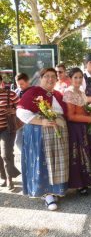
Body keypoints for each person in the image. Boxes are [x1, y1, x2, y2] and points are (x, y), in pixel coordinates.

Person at [16, 68, 69, 211]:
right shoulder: (33, 92)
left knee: (54, 161)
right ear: (41, 78)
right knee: (42, 161)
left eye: (53, 76)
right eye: (47, 76)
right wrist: (42, 122)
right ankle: (45, 194)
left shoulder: (57, 94)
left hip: (56, 135)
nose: (50, 79)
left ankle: (54, 190)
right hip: (38, 133)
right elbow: (20, 112)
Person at [63, 68, 91, 195]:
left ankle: (88, 181)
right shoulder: (69, 92)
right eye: (75, 77)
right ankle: (79, 184)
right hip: (75, 128)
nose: (78, 79)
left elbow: (83, 109)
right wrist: (89, 118)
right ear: (70, 79)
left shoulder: (81, 91)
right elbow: (70, 116)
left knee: (87, 152)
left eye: (80, 77)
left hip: (84, 126)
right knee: (78, 154)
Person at [0, 75, 20, 190]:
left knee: (6, 154)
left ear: (1, 81)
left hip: (7, 129)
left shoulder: (10, 94)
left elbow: (22, 108)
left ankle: (9, 178)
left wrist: (14, 110)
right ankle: (3, 176)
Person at [14, 73, 31, 152]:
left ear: (27, 82)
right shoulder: (16, 91)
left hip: (30, 122)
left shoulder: (33, 91)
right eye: (18, 84)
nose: (19, 86)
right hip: (19, 123)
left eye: (21, 84)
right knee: (18, 142)